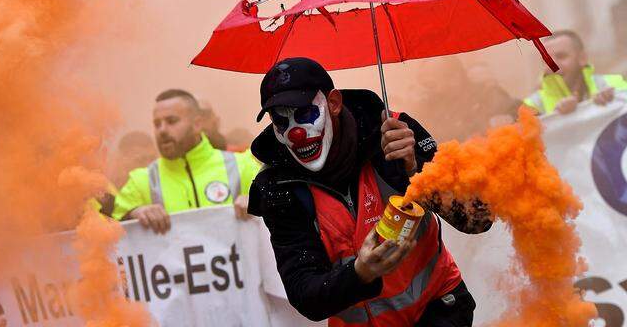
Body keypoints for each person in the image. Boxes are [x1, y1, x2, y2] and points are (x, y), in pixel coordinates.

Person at [248, 58, 492, 326]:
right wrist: (359, 274)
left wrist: (417, 170)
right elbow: (305, 295)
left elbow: (477, 219)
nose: (296, 134)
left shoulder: (395, 133)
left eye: (306, 114)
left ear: (333, 103)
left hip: (438, 312)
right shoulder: (278, 187)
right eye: (281, 121)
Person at [112, 89, 260, 233]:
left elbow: (279, 209)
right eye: (157, 124)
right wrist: (133, 214)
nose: (162, 130)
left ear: (197, 124)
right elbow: (111, 231)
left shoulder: (242, 166)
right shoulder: (141, 181)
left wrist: (260, 204)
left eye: (171, 121)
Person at [524, 30, 627, 115]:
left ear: (582, 58)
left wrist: (614, 102)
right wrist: (556, 118)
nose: (553, 65)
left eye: (561, 56)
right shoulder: (531, 106)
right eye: (547, 60)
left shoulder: (614, 84)